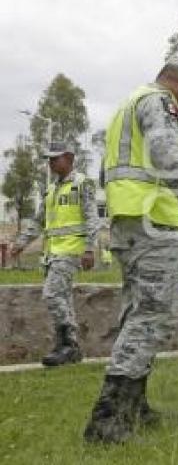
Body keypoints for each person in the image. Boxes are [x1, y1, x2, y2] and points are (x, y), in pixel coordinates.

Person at [83, 60, 178, 444]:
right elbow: (167, 156)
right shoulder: (160, 102)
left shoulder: (129, 104)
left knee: (135, 313)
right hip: (153, 222)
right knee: (152, 316)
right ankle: (108, 419)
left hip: (130, 221)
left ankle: (135, 406)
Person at [10, 142, 99, 366]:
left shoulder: (82, 184)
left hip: (71, 252)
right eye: (48, 159)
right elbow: (38, 221)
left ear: (69, 158)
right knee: (63, 299)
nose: (50, 163)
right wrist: (21, 243)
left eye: (54, 158)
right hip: (51, 254)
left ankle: (66, 344)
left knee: (51, 294)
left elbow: (92, 218)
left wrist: (89, 248)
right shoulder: (50, 190)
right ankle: (71, 349)